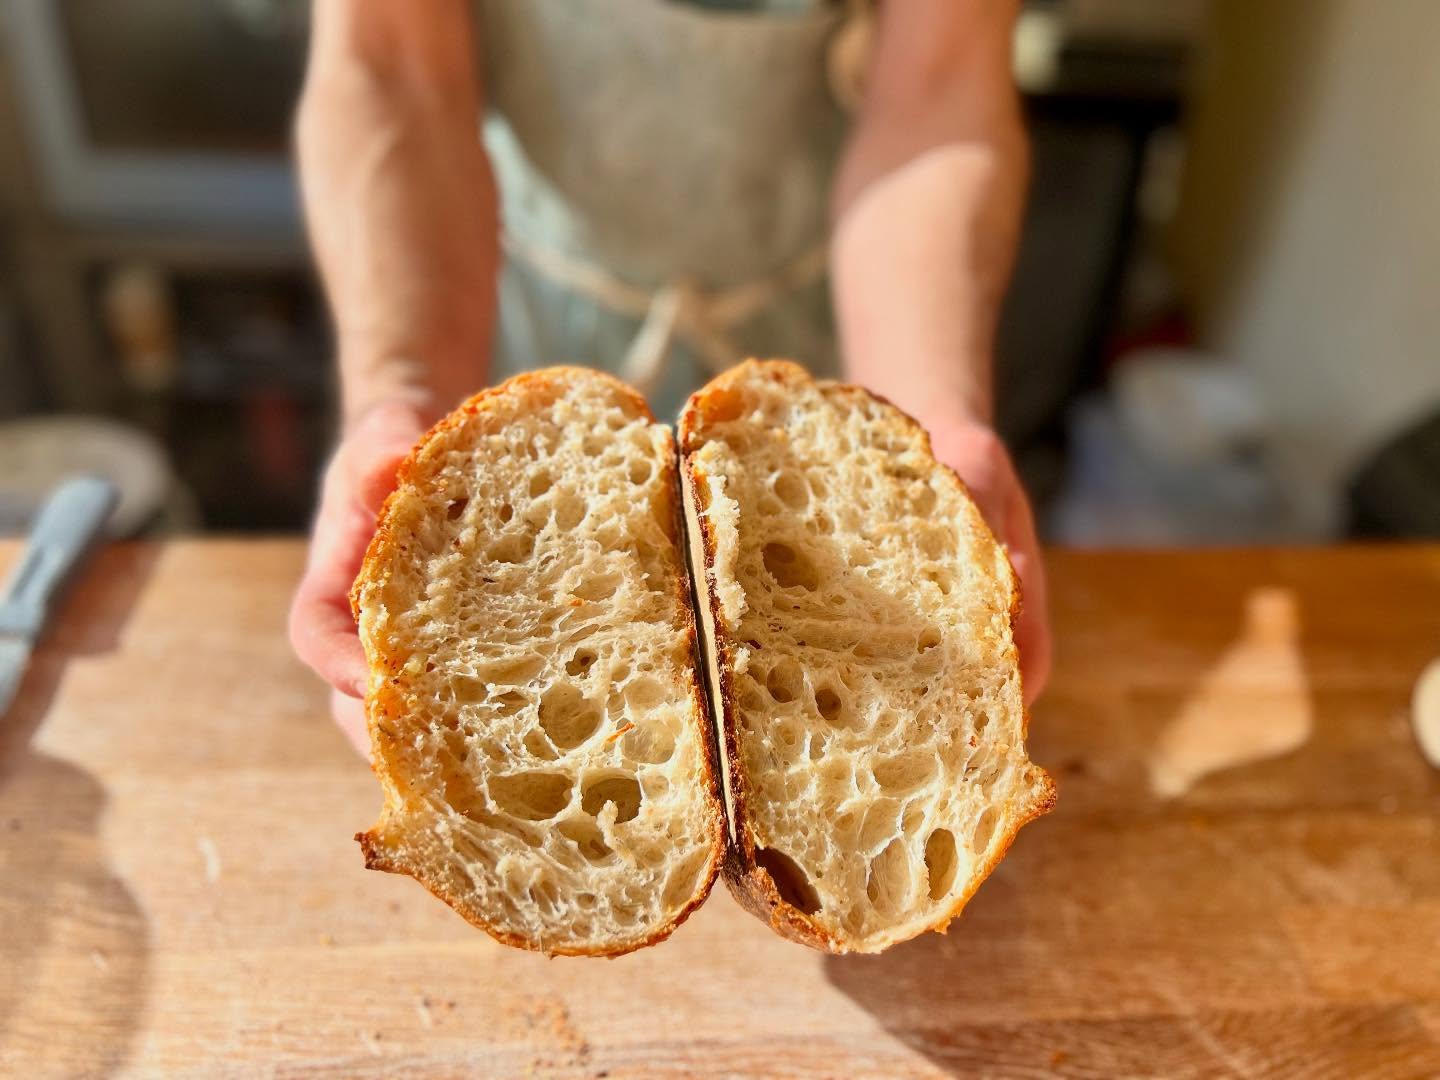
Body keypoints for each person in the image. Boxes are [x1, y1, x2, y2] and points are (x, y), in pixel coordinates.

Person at [289, 0, 1050, 752]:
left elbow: (939, 82)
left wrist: (924, 431)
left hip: (840, 340)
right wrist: (403, 400)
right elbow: (394, 65)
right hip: (495, 324)